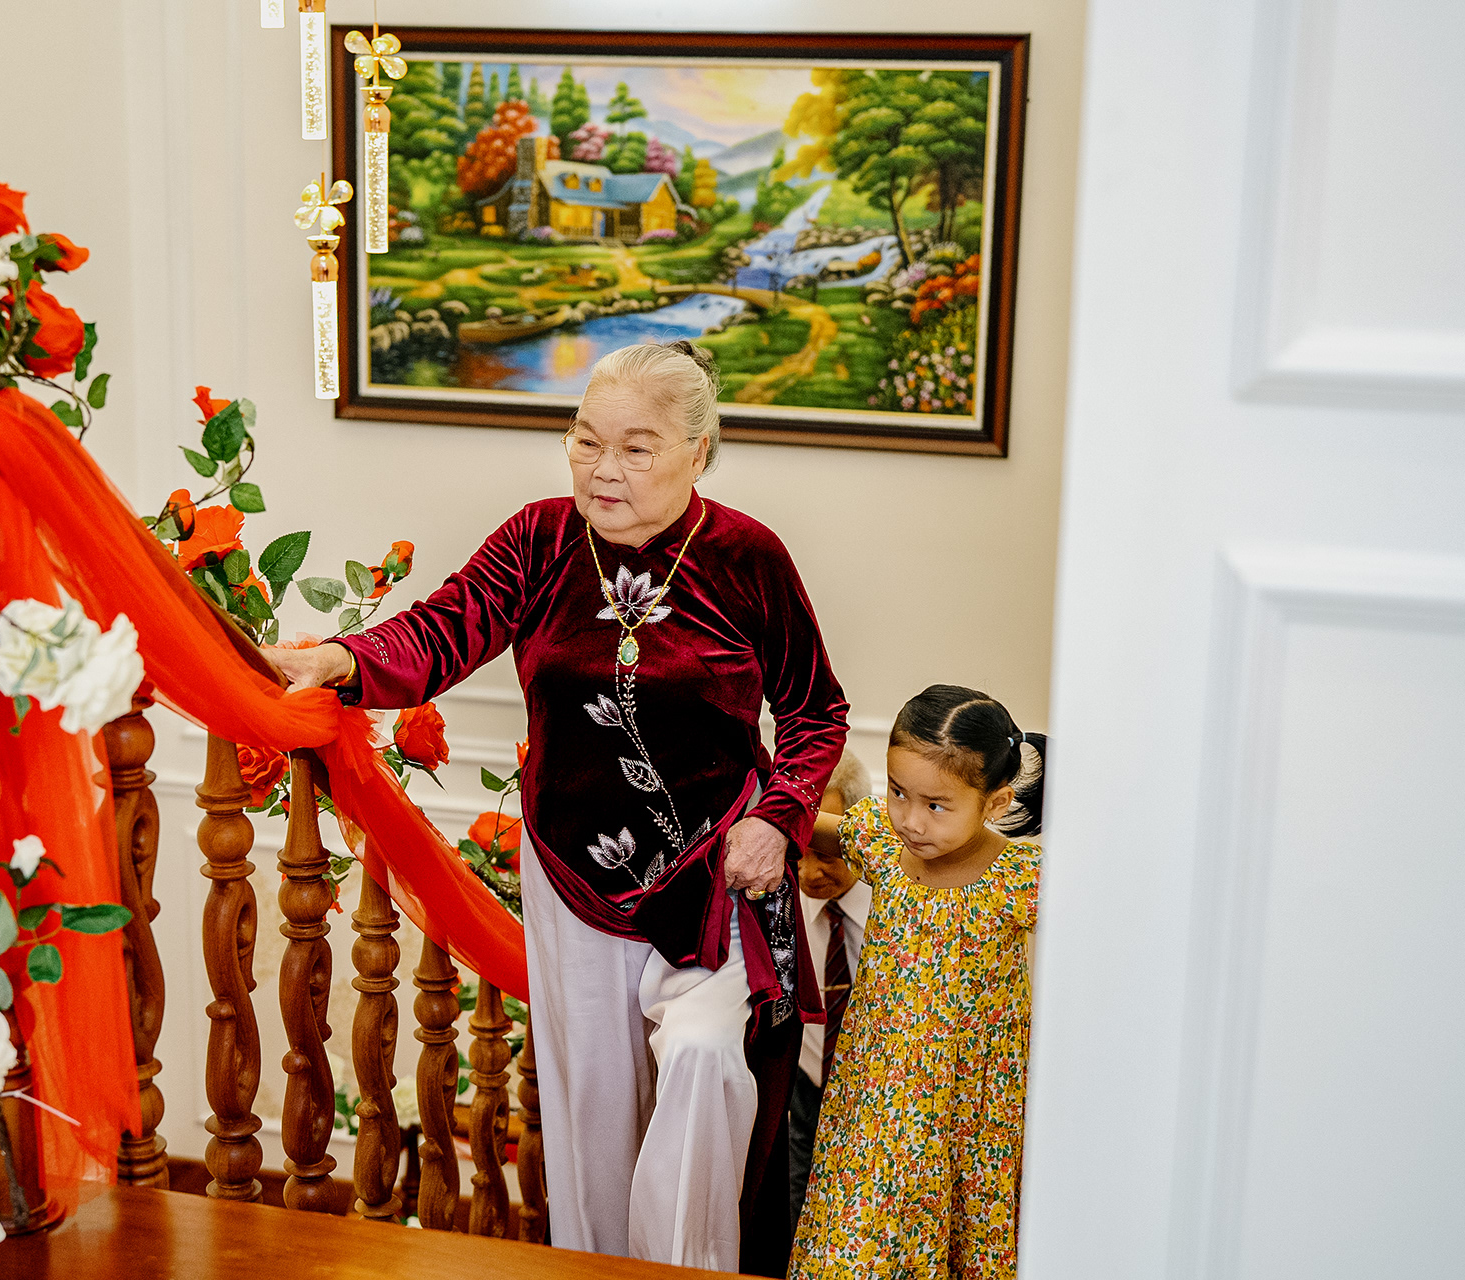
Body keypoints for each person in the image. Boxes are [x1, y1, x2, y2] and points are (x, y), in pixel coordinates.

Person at [265, 340, 848, 1274]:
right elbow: (442, 629)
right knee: (592, 1120)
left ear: (697, 452)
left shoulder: (747, 556)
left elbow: (816, 710)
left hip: (714, 879)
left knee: (703, 1055)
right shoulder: (539, 539)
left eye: (636, 448)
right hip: (573, 871)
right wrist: (338, 659)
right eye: (585, 440)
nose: (603, 469)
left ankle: (690, 1271)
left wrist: (776, 819)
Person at [788, 685, 1045, 1280]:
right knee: (852, 1249)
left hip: (969, 1115)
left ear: (995, 802)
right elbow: (808, 822)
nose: (909, 819)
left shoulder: (1021, 880)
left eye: (936, 805)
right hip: (873, 1103)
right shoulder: (881, 842)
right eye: (898, 792)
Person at [785, 753, 872, 1226]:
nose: (808, 873)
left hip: (874, 1088)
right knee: (797, 1209)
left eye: (825, 853)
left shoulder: (895, 906)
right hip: (805, 1084)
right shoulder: (780, 897)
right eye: (798, 852)